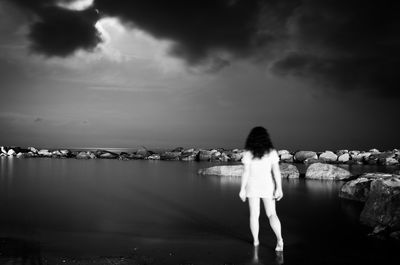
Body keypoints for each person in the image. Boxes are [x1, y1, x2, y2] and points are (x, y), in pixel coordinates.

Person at [239, 126, 284, 251]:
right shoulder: (271, 152)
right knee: (271, 214)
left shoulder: (248, 153)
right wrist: (279, 188)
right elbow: (276, 171)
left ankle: (256, 241)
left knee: (254, 215)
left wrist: (242, 189)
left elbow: (246, 172)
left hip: (252, 186)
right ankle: (279, 239)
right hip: (267, 185)